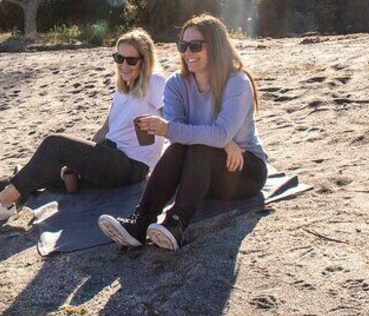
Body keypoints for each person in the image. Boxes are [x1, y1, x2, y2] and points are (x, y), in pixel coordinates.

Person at [0, 28, 166, 226]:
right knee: (41, 169)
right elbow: (106, 128)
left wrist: (170, 166)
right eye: (119, 59)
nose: (124, 65)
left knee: (54, 143)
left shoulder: (154, 82)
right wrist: (83, 159)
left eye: (131, 60)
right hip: (108, 155)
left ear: (145, 60)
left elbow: (173, 123)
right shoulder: (124, 86)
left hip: (131, 166)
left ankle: (2, 203)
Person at [98, 14, 268, 251]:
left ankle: (176, 223)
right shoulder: (176, 84)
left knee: (200, 146)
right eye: (183, 46)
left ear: (216, 47)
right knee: (183, 147)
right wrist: (222, 140)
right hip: (200, 172)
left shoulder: (237, 82)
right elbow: (180, 136)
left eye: (195, 46)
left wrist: (221, 139)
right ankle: (140, 223)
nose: (187, 53)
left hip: (243, 169)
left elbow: (198, 133)